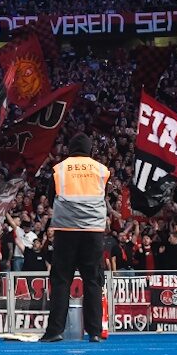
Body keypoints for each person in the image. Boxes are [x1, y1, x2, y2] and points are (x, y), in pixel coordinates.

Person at [41, 134, 111, 343]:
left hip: (66, 231)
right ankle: (95, 332)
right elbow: (103, 195)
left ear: (70, 149)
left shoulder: (60, 169)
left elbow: (50, 197)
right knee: (93, 281)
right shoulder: (101, 170)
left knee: (61, 280)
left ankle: (54, 331)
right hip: (93, 232)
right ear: (90, 150)